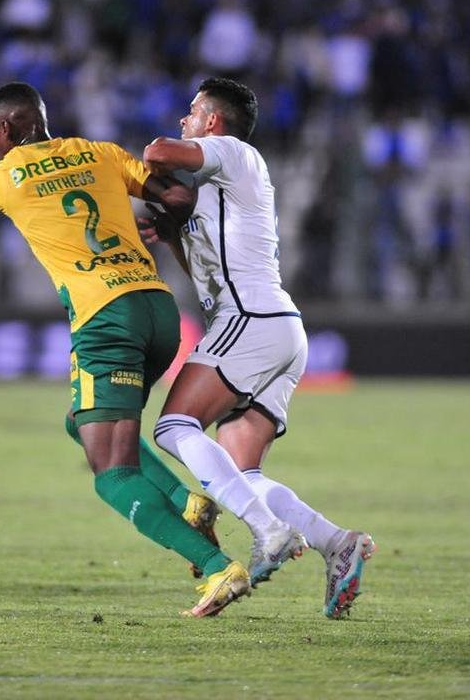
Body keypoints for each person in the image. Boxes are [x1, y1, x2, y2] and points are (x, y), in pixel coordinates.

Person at [0, 82, 251, 618]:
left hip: (104, 319)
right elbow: (180, 197)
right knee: (81, 422)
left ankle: (216, 567)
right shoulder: (102, 153)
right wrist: (156, 226)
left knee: (112, 474)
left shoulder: (2, 176)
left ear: (6, 130)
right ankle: (188, 502)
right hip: (158, 311)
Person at [139, 77, 376, 619]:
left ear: (214, 122)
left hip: (250, 319)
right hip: (277, 326)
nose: (184, 120)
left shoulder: (233, 152)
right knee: (240, 474)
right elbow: (203, 277)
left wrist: (152, 179)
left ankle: (269, 531)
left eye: (192, 112)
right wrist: (177, 231)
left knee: (174, 427)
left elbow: (156, 154)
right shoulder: (220, 195)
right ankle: (337, 542)